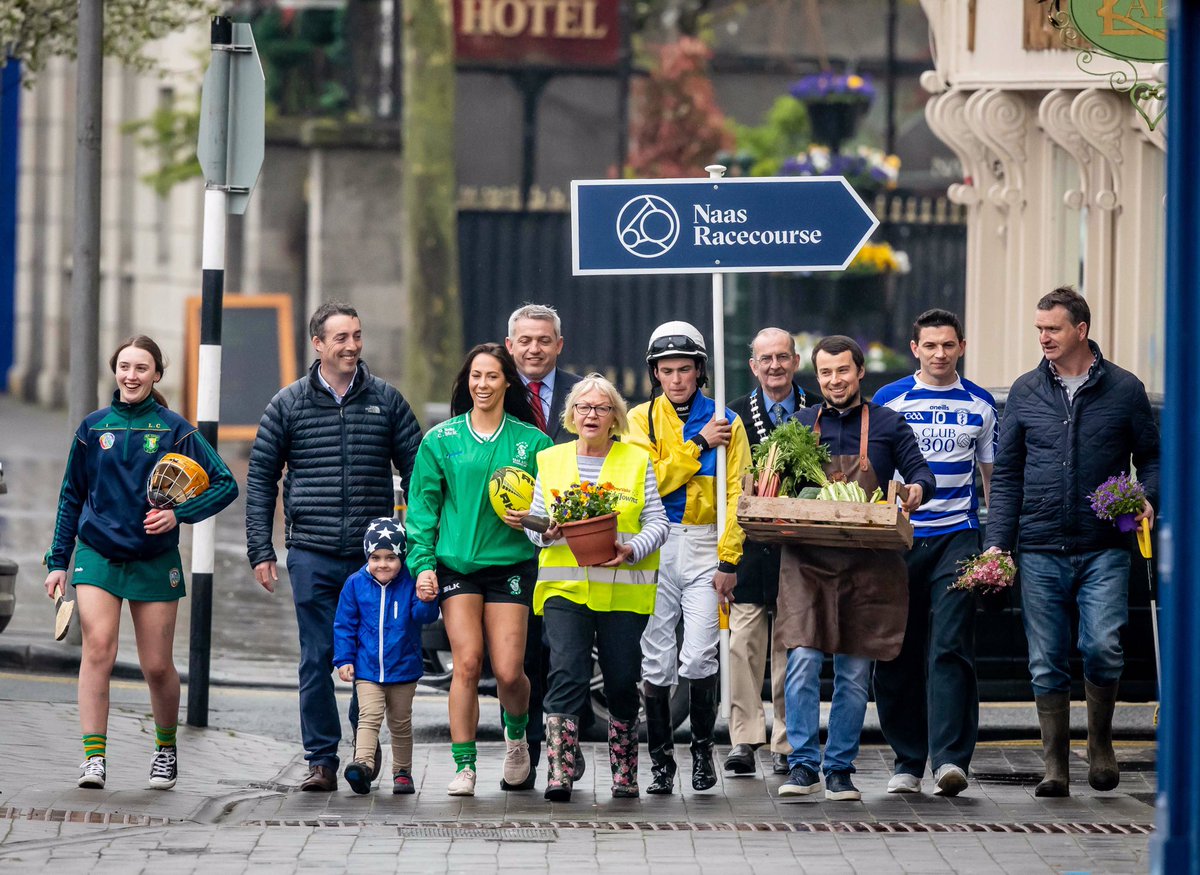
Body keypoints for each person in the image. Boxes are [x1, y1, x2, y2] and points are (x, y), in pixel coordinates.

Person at [984, 287, 1159, 797]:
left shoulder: (1125, 390)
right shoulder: (1025, 391)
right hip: (1038, 546)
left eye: (1053, 329)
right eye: (1039, 329)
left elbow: (1151, 458)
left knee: (1102, 646)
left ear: (1080, 330)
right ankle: (1055, 765)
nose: (1043, 338)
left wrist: (1146, 496)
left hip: (1104, 545)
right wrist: (999, 544)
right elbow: (1008, 475)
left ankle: (1100, 744)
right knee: (1045, 659)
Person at [44, 335, 238, 790]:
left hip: (154, 557)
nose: (131, 376)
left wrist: (178, 513)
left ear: (156, 375)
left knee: (156, 666)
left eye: (141, 368)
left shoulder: (175, 428)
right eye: (124, 367)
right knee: (99, 648)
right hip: (97, 554)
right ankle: (94, 759)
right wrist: (58, 561)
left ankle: (166, 749)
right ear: (115, 371)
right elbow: (71, 495)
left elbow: (225, 483)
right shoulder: (93, 427)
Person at [245, 302, 423, 792]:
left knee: (367, 660)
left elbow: (420, 476)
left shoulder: (386, 401)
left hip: (375, 565)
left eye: (357, 336)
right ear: (318, 344)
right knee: (318, 656)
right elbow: (261, 479)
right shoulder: (288, 404)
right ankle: (321, 760)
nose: (351, 346)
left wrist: (417, 547)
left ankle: (362, 755)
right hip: (312, 553)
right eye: (340, 337)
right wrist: (261, 550)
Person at [777, 335, 934, 801]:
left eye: (842, 371)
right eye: (825, 373)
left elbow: (921, 474)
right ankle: (803, 765)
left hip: (870, 565)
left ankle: (840, 769)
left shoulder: (889, 424)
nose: (834, 381)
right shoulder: (800, 425)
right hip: (807, 563)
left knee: (852, 673)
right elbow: (776, 487)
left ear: (860, 372)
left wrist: (914, 492)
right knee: (802, 662)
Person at [405, 343, 554, 796]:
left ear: (508, 381)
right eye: (475, 376)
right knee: (466, 663)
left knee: (510, 672)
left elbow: (551, 519)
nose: (482, 384)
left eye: (492, 376)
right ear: (466, 382)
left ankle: (516, 739)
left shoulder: (534, 442)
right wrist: (423, 565)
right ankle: (465, 766)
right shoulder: (441, 440)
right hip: (457, 568)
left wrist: (528, 519)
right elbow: (422, 512)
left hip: (510, 567)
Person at [524, 374, 669, 800]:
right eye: (583, 408)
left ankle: (624, 773)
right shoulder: (550, 460)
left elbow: (658, 523)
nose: (591, 415)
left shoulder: (636, 460)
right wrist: (544, 533)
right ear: (571, 415)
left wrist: (631, 548)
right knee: (566, 672)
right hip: (565, 590)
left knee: (622, 680)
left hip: (625, 590)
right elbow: (535, 522)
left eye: (601, 408)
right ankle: (560, 773)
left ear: (614, 418)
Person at [871, 309, 998, 797]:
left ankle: (950, 760)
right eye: (930, 345)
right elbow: (877, 474)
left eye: (948, 345)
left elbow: (992, 482)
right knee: (897, 649)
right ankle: (907, 761)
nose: (939, 354)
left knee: (950, 646)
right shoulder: (889, 400)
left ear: (961, 347)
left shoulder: (982, 404)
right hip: (899, 541)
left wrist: (994, 546)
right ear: (915, 349)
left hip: (958, 537)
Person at [625, 321, 751, 794]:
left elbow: (738, 490)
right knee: (655, 660)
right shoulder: (639, 419)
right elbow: (648, 482)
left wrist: (729, 558)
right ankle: (661, 764)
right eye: (667, 370)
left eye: (685, 370)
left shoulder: (727, 420)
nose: (676, 379)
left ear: (700, 371)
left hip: (705, 543)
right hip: (655, 542)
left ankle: (702, 754)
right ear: (655, 373)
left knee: (699, 654)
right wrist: (698, 445)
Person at [500, 303, 583, 788]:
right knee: (515, 660)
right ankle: (523, 753)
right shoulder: (491, 387)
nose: (534, 349)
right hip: (506, 548)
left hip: (566, 550)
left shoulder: (583, 394)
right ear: (510, 346)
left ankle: (562, 754)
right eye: (525, 341)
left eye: (543, 340)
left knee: (563, 658)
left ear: (559, 345)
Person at [724, 328, 808, 778]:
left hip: (801, 549)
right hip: (749, 550)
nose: (774, 366)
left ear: (796, 361)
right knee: (742, 646)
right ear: (752, 365)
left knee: (789, 649)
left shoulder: (815, 410)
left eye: (782, 357)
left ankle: (786, 740)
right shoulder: (734, 415)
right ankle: (743, 738)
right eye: (765, 359)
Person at [333, 518, 439, 795]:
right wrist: (344, 659)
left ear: (401, 557)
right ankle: (363, 765)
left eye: (391, 557)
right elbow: (344, 624)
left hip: (404, 668)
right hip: (367, 668)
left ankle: (402, 772)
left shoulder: (411, 582)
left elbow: (423, 617)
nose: (383, 564)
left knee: (400, 723)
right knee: (368, 716)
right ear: (367, 556)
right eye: (376, 557)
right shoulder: (355, 584)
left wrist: (428, 599)